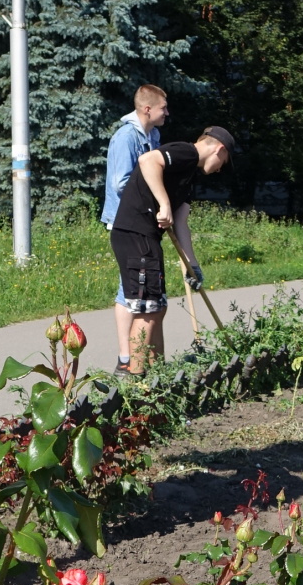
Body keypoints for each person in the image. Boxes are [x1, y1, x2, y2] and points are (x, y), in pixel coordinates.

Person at [110, 126, 235, 375]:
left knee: (158, 306)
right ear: (219, 149)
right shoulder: (187, 152)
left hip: (147, 238)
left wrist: (193, 265)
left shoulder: (190, 174)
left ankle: (158, 373)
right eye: (224, 162)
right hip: (135, 234)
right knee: (147, 308)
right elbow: (148, 160)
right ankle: (136, 380)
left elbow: (181, 222)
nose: (220, 168)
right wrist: (164, 203)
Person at [101, 85, 169, 374]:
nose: (167, 112)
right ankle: (126, 358)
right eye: (164, 107)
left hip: (143, 222)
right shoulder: (126, 137)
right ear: (147, 109)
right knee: (127, 291)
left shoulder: (152, 136)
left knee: (129, 289)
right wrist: (154, 199)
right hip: (125, 222)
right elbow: (120, 182)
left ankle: (135, 359)